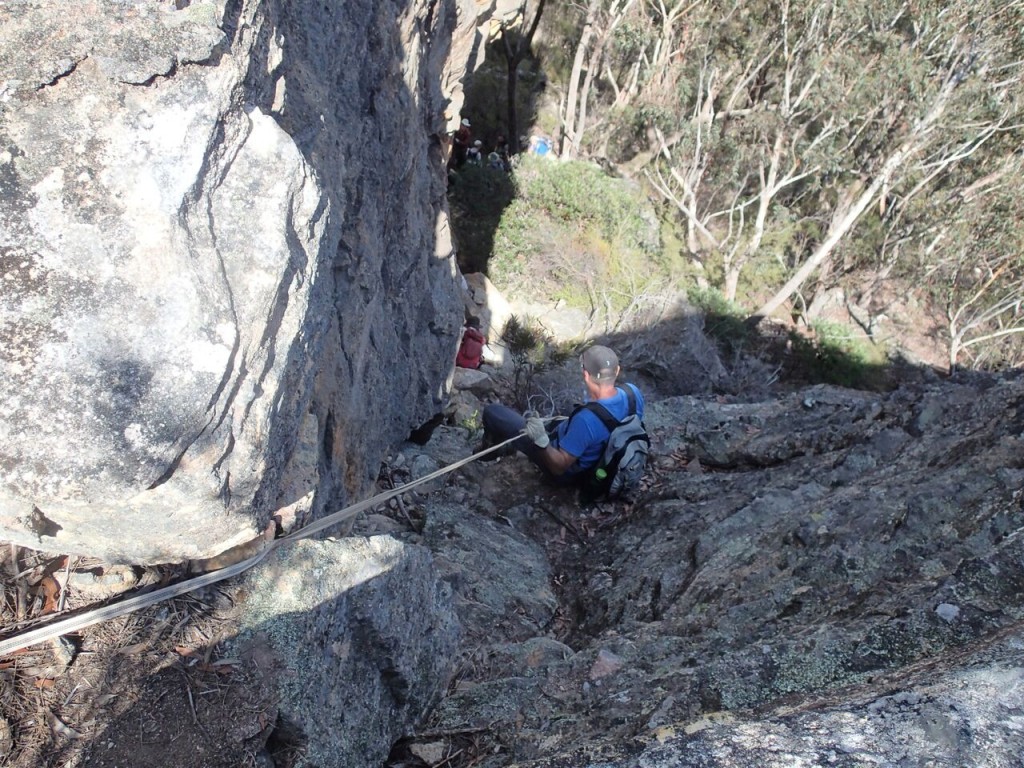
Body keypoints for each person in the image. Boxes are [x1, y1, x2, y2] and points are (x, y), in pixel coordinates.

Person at [480, 345, 644, 485]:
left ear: (586, 375)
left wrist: (541, 440)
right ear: (617, 370)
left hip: (568, 470)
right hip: (600, 451)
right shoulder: (632, 392)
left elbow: (558, 468)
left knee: (493, 412)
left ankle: (488, 452)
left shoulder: (586, 420)